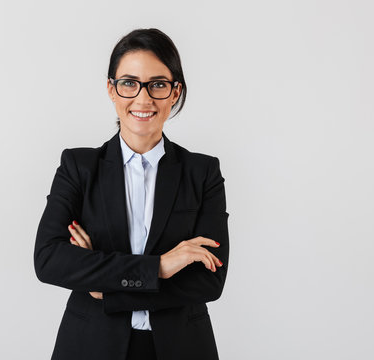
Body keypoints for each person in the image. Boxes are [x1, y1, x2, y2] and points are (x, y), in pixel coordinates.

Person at [34, 28, 229, 360]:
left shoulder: (202, 172)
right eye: (129, 83)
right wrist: (161, 267)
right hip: (91, 346)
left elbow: (209, 281)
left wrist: (106, 289)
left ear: (174, 91)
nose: (143, 98)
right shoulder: (79, 167)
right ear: (111, 90)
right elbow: (49, 259)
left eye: (157, 84)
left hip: (181, 348)